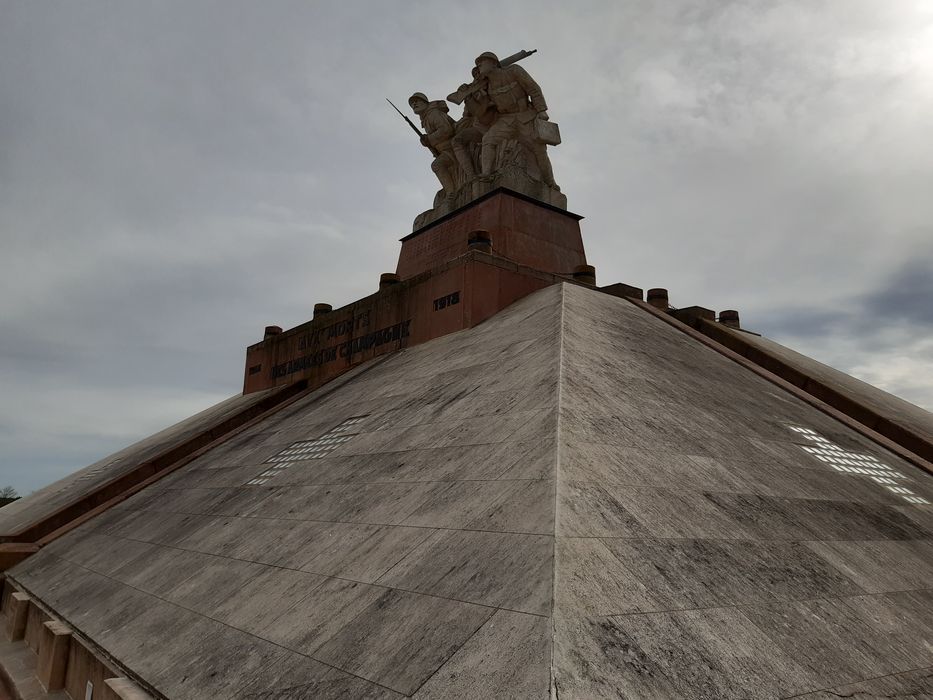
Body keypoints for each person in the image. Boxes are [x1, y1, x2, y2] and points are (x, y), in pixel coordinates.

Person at [473, 51, 560, 191]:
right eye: (478, 64)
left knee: (539, 150)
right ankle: (486, 174)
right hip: (506, 120)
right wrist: (477, 96)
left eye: (482, 62)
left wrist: (541, 110)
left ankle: (550, 183)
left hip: (525, 116)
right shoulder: (485, 85)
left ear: (494, 63)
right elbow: (481, 111)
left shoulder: (513, 70)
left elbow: (533, 88)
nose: (479, 65)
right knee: (488, 139)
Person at [450, 67, 496, 181]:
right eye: (475, 74)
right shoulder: (474, 91)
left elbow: (482, 111)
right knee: (456, 141)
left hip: (494, 125)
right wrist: (467, 96)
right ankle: (471, 176)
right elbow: (468, 114)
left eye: (479, 72)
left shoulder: (494, 84)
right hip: (479, 126)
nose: (477, 76)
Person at [408, 92, 458, 197]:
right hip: (447, 150)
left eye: (417, 101)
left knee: (437, 165)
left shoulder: (433, 114)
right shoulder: (426, 118)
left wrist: (429, 139)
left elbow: (446, 130)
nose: (414, 104)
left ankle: (451, 193)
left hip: (454, 149)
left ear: (426, 102)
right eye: (412, 103)